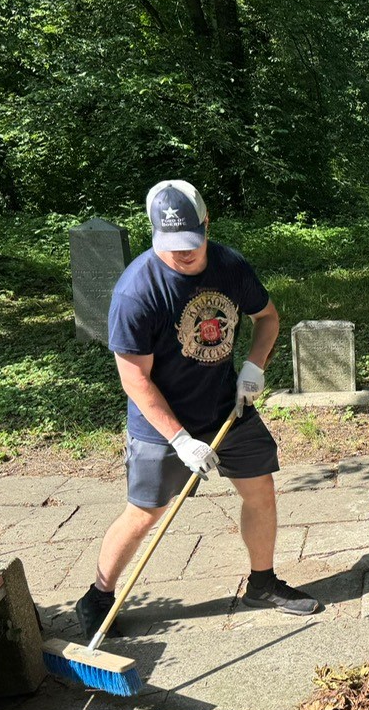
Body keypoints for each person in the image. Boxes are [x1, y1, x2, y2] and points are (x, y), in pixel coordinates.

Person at [74, 179, 320, 639]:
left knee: (260, 490)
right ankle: (98, 595)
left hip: (227, 404)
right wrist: (179, 439)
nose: (182, 255)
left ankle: (262, 583)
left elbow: (266, 318)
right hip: (162, 420)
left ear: (206, 224)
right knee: (145, 511)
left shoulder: (229, 266)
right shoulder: (136, 292)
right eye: (170, 246)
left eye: (191, 242)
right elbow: (134, 379)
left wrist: (253, 365)